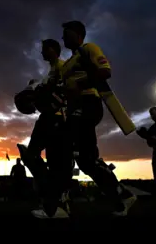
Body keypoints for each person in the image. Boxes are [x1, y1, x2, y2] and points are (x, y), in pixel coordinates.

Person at [59, 20, 136, 217]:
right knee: (86, 161)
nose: (63, 38)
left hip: (89, 104)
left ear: (78, 34)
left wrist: (80, 83)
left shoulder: (89, 49)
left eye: (66, 34)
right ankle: (122, 196)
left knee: (65, 150)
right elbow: (65, 89)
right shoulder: (67, 64)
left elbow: (105, 72)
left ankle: (58, 205)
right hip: (74, 108)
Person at [19, 39, 73, 219]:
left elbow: (62, 93)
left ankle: (55, 206)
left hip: (56, 120)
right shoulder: (51, 70)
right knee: (50, 162)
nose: (41, 53)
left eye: (44, 50)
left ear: (53, 50)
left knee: (48, 160)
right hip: (51, 119)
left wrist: (38, 89)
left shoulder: (62, 67)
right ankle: (55, 203)